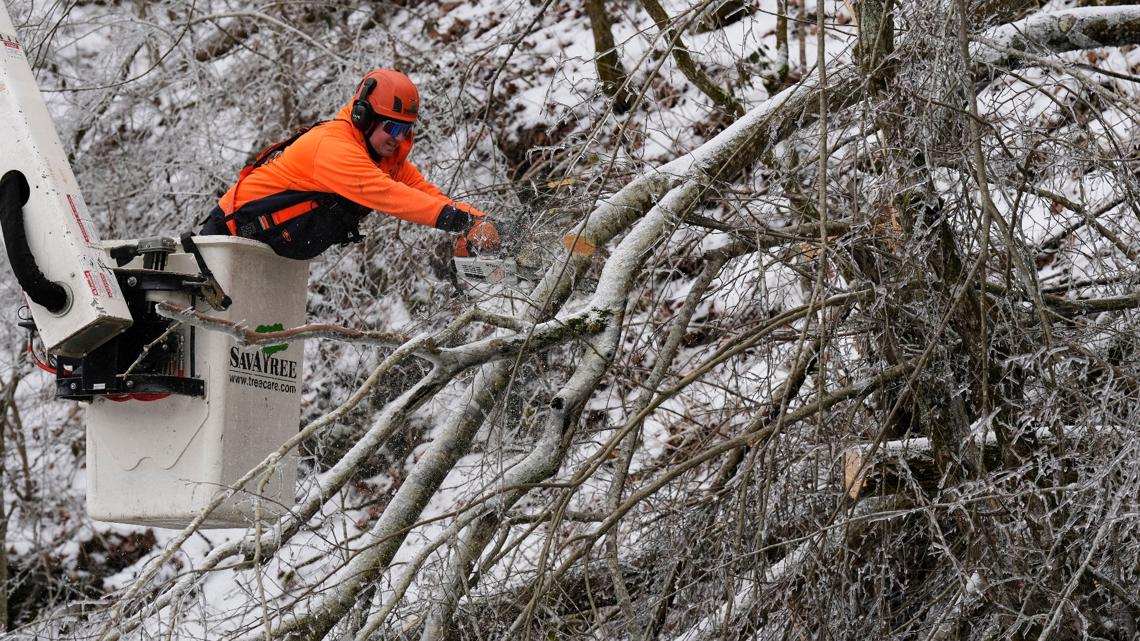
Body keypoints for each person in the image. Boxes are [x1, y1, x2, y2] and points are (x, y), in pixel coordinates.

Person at [200, 69, 499, 261]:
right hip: (229, 236)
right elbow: (388, 194)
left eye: (406, 129)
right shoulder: (333, 147)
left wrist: (479, 220)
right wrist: (460, 222)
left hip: (271, 253)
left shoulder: (383, 157)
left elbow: (424, 192)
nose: (398, 138)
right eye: (392, 127)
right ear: (364, 117)